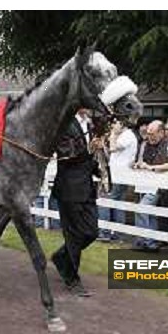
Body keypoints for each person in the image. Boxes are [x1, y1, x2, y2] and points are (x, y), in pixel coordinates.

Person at [51, 108, 100, 297]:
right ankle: (72, 278)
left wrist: (98, 169)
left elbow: (90, 157)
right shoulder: (63, 122)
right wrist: (89, 148)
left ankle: (61, 257)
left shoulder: (90, 123)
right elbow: (64, 153)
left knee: (91, 232)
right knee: (74, 236)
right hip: (69, 188)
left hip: (87, 187)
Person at [131, 120, 168, 251]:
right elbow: (140, 161)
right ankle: (150, 243)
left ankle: (145, 241)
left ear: (161, 132)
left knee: (141, 209)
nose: (149, 136)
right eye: (148, 133)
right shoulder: (144, 144)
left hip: (159, 185)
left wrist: (152, 168)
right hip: (143, 184)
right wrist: (137, 165)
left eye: (152, 134)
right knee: (150, 214)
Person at [97, 118, 138, 241]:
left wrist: (113, 134)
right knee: (117, 203)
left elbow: (113, 148)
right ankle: (117, 233)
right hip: (117, 175)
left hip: (118, 176)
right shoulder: (126, 136)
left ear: (122, 123)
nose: (112, 126)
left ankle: (105, 232)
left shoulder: (127, 135)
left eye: (115, 123)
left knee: (104, 201)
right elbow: (112, 154)